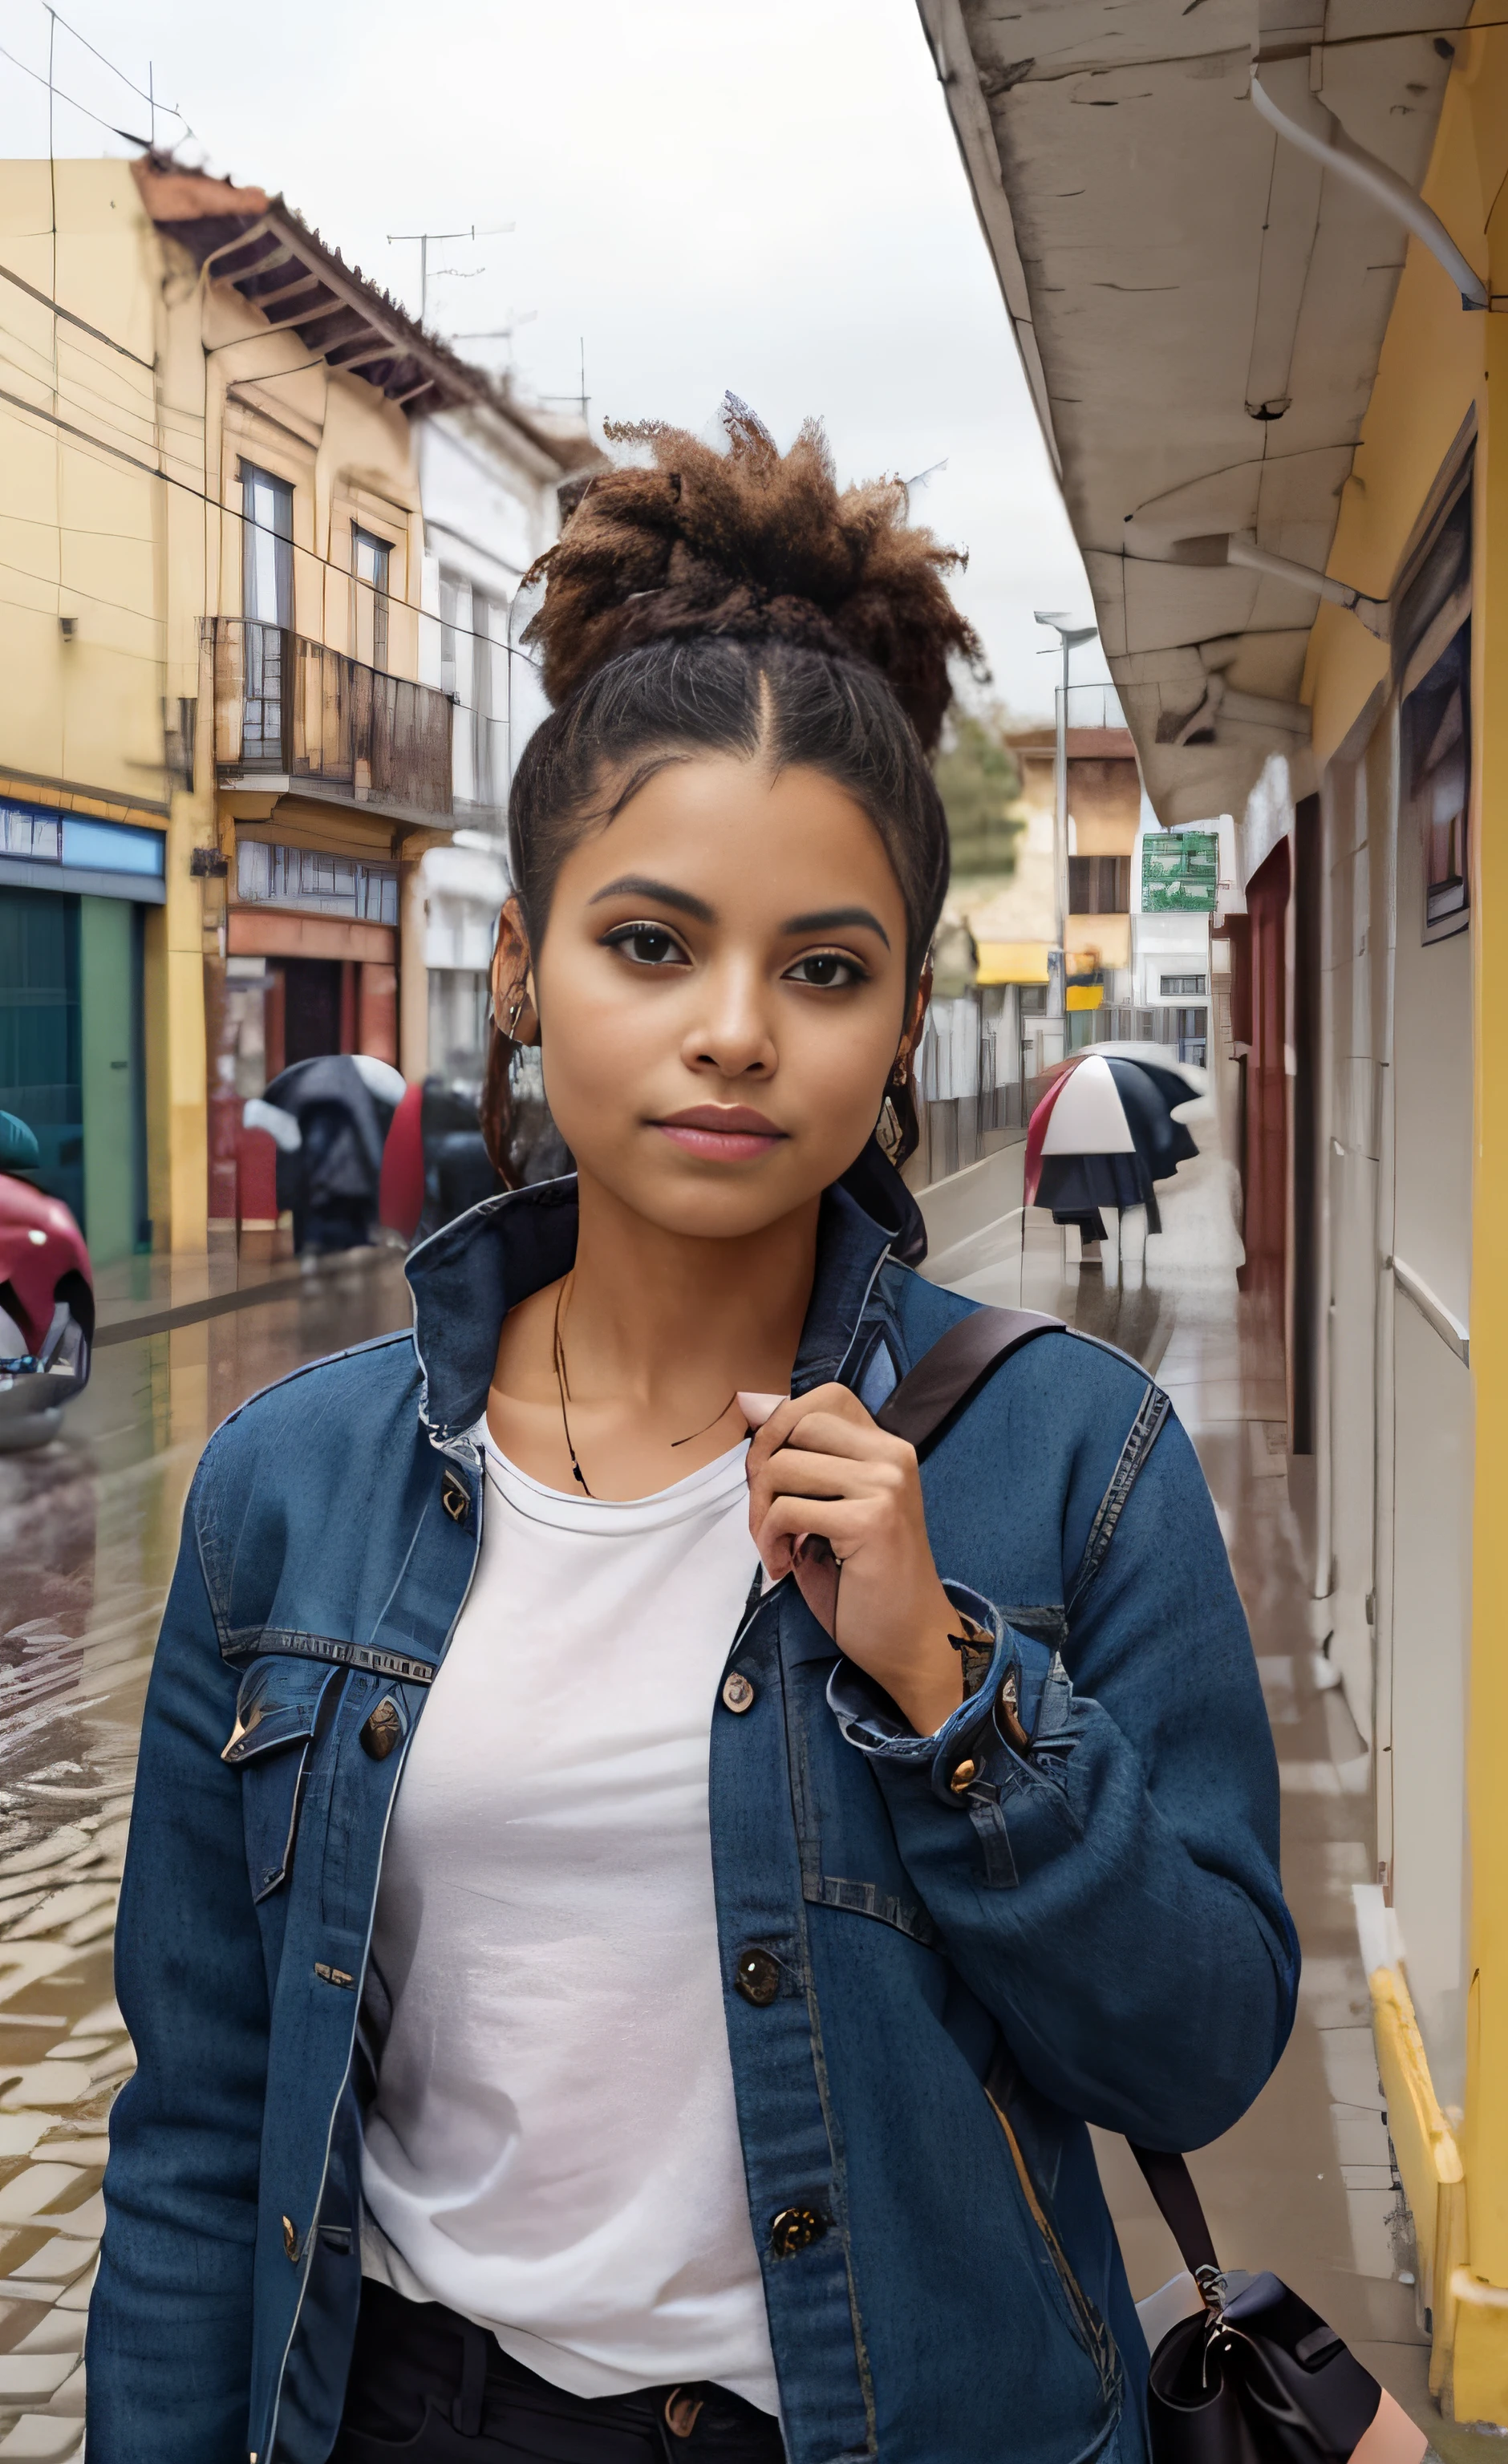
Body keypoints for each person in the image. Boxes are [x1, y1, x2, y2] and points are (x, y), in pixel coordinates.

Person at [87, 404, 1297, 2464]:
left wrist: (951, 1682)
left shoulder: (1069, 1460)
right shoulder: (291, 1488)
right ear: (526, 974)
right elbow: (203, 2129)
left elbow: (1189, 2056)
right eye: (650, 943)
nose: (734, 1026)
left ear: (904, 1016)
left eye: (820, 967)